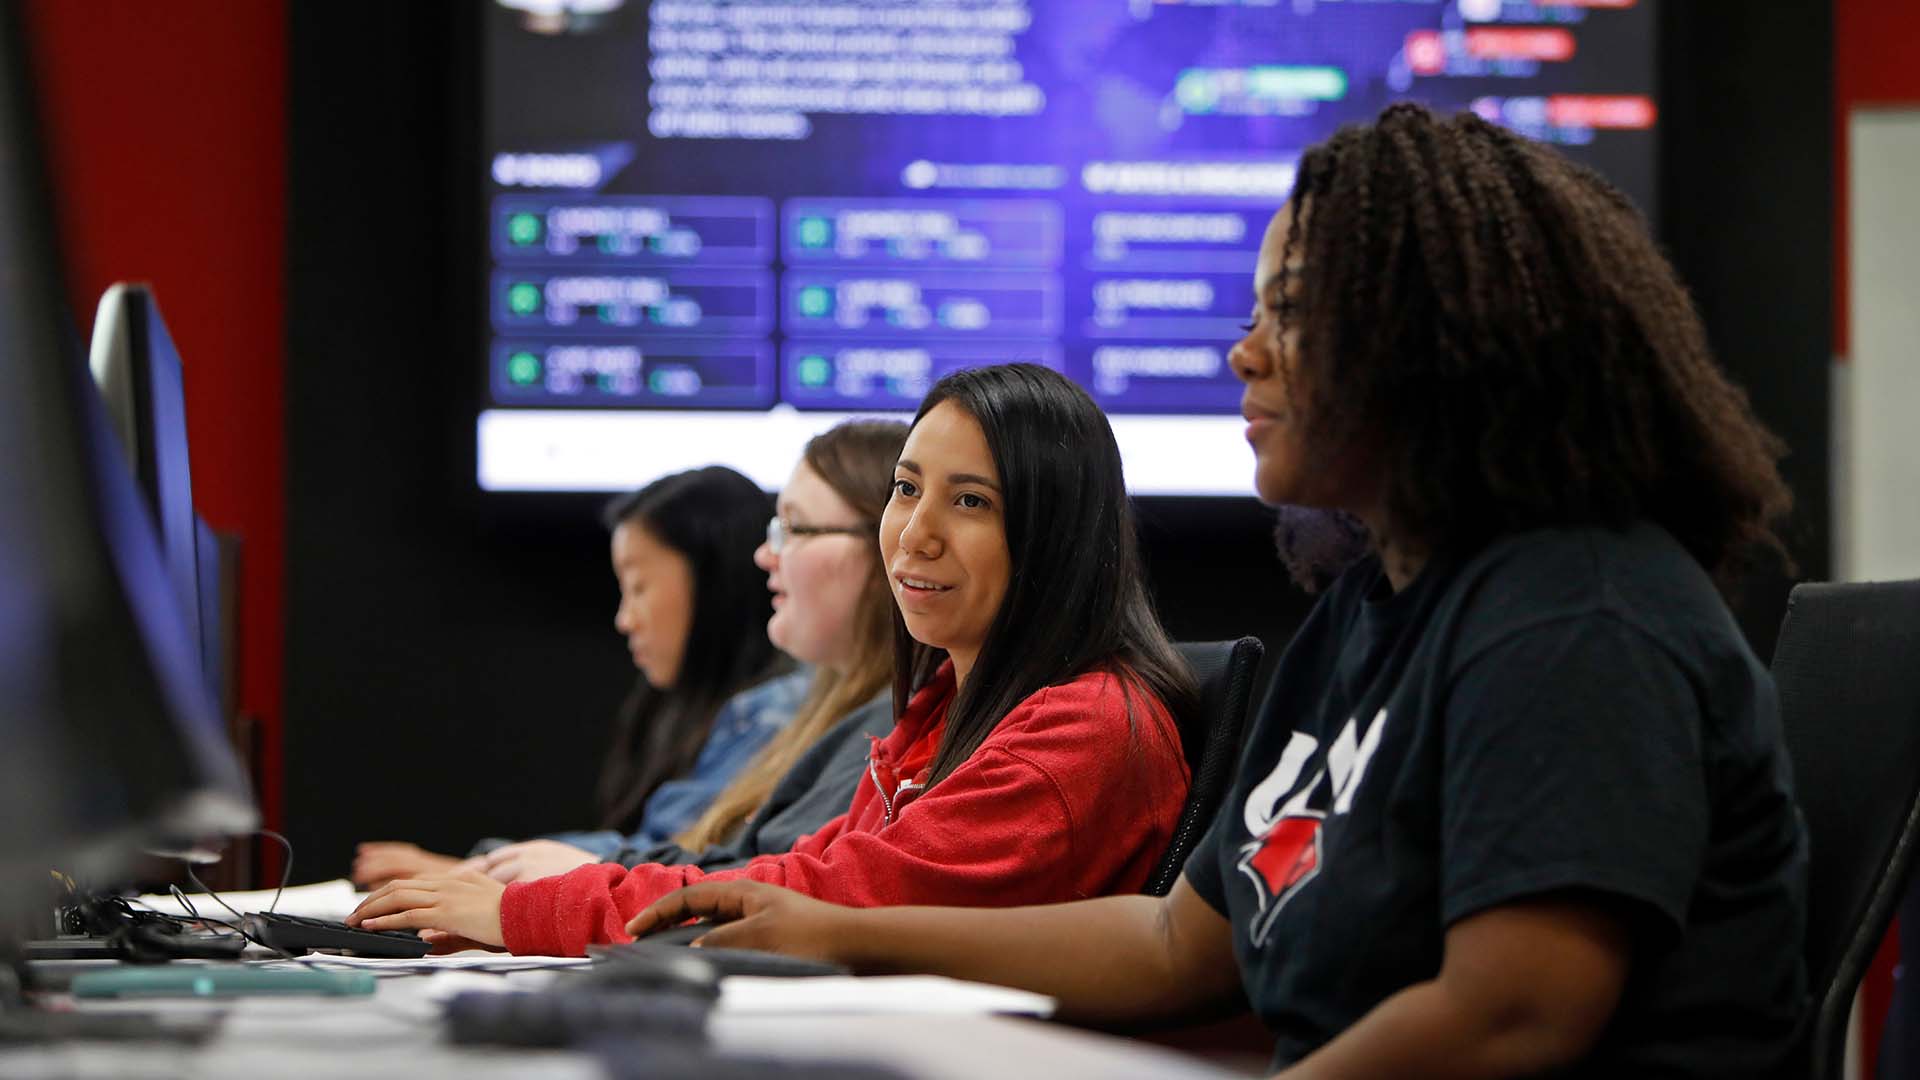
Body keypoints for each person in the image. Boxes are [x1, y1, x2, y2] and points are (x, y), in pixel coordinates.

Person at [617, 105, 1811, 1078]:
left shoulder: (1576, 615)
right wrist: (842, 935)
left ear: (1449, 334)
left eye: (1290, 312)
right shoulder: (1368, 612)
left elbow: (1509, 1019)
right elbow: (1179, 940)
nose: (1244, 352)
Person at [348, 363, 1198, 956]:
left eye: (970, 500)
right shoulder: (946, 713)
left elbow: (813, 906)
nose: (916, 531)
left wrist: (527, 913)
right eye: (907, 489)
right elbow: (799, 875)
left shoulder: (1079, 730)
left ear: (1055, 537)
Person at [471, 419, 911, 884]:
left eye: (795, 528)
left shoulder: (871, 720)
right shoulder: (828, 712)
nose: (766, 554)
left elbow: (773, 890)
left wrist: (592, 873)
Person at [351, 465, 795, 887]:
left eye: (639, 587)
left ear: (715, 582)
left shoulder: (777, 709)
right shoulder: (672, 707)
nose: (625, 619)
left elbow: (674, 853)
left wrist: (480, 870)